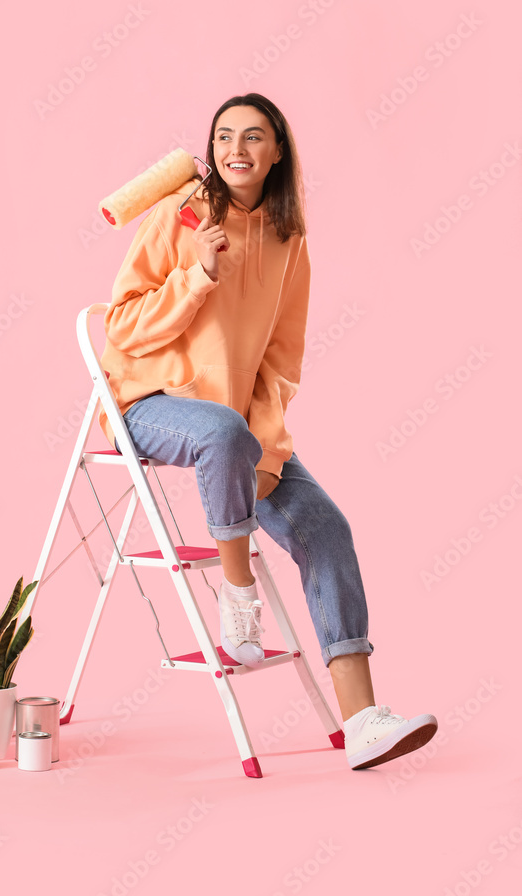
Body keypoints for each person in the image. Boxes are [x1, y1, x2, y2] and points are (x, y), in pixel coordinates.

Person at [97, 92, 438, 771]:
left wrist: (270, 450)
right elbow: (120, 327)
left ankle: (363, 720)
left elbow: (279, 364)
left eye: (254, 137)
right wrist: (198, 273)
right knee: (222, 430)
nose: (236, 150)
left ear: (277, 151)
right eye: (224, 136)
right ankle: (238, 600)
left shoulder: (290, 242)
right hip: (147, 403)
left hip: (237, 431)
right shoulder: (178, 214)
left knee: (324, 525)